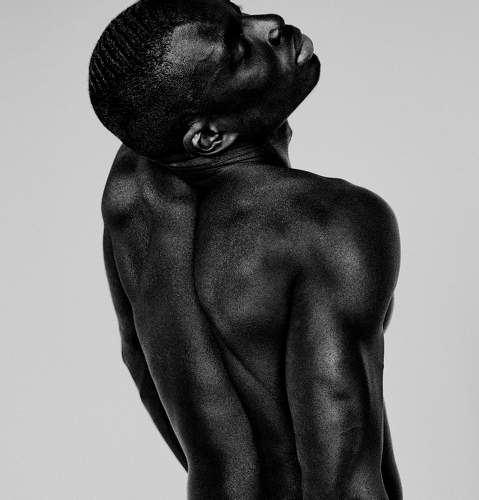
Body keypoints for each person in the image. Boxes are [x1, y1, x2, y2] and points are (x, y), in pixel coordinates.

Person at [89, 0, 403, 498]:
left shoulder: (134, 188)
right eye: (239, 50)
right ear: (209, 137)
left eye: (239, 13)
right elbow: (343, 484)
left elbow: (140, 358)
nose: (270, 24)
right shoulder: (328, 223)